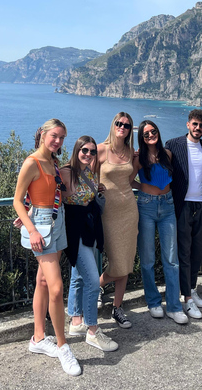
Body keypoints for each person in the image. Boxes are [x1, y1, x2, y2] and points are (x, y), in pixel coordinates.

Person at [12, 119, 81, 376]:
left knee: (43, 282)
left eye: (62, 138)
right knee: (56, 286)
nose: (58, 141)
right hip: (41, 227)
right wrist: (30, 228)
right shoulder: (31, 162)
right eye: (55, 136)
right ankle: (63, 346)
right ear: (42, 134)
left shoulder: (52, 162)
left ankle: (38, 339)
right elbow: (17, 200)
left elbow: (44, 194)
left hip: (57, 218)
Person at [61, 136, 119, 352]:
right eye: (84, 150)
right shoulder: (66, 172)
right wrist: (28, 214)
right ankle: (93, 332)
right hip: (75, 232)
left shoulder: (89, 172)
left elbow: (87, 194)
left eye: (93, 151)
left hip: (90, 229)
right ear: (76, 150)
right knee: (94, 282)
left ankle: (76, 321)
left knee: (78, 276)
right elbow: (50, 194)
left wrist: (97, 189)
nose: (88, 154)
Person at [132, 120, 188, 324]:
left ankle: (174, 306)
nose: (150, 136)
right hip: (146, 206)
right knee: (147, 260)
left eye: (152, 131)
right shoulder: (138, 158)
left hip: (168, 205)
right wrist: (143, 187)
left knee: (171, 260)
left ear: (158, 132)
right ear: (141, 138)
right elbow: (128, 180)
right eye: (145, 134)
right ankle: (154, 302)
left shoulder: (167, 154)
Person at [165, 109, 202, 320]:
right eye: (195, 124)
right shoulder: (173, 144)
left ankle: (191, 288)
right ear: (187, 124)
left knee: (197, 251)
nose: (198, 128)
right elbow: (159, 162)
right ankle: (187, 299)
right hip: (183, 205)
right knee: (183, 252)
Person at [97, 112, 139, 329]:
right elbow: (79, 171)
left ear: (130, 130)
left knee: (126, 261)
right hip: (108, 214)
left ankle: (117, 307)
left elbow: (129, 180)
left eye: (127, 125)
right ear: (113, 125)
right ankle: (95, 287)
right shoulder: (100, 149)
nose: (122, 127)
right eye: (119, 123)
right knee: (117, 263)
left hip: (129, 211)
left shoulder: (131, 152)